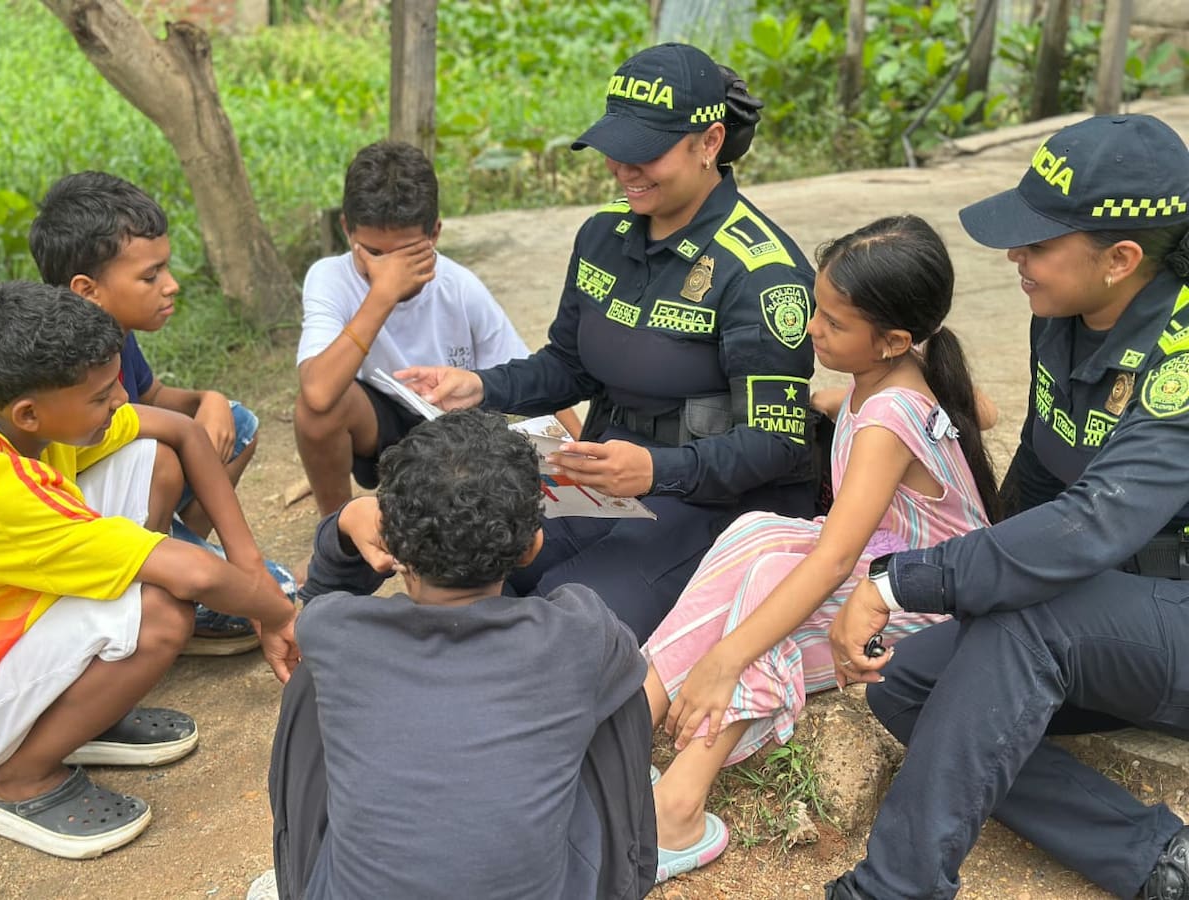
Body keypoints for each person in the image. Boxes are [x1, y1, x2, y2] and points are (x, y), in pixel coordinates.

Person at [827, 114, 1189, 900]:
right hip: (1105, 609)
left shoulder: (1181, 360)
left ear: (1122, 258)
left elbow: (1091, 522)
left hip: (1169, 620)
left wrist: (896, 582)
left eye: (1037, 244)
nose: (1013, 258)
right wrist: (981, 572)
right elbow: (1041, 472)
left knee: (1032, 618)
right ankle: (1157, 860)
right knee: (905, 683)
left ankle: (891, 889)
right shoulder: (1061, 316)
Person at [398, 43, 818, 643]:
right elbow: (570, 364)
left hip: (717, 501)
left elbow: (777, 442)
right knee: (475, 572)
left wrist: (658, 470)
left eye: (645, 153)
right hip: (604, 474)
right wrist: (484, 387)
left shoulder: (759, 272)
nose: (624, 169)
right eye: (615, 150)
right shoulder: (604, 233)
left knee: (563, 624)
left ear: (709, 142)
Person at [640, 215, 997, 881]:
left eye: (833, 324)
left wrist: (724, 660)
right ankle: (630, 731)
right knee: (754, 534)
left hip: (921, 600)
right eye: (817, 309)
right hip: (885, 564)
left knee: (774, 578)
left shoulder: (892, 417)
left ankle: (677, 805)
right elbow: (981, 410)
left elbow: (832, 561)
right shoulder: (901, 372)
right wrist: (837, 399)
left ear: (892, 340)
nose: (813, 330)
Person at [261, 408, 654, 900]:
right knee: (619, 684)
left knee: (307, 684)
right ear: (532, 545)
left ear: (393, 547)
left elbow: (316, 602)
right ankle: (622, 881)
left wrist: (342, 526)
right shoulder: (579, 632)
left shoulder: (336, 632)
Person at [0, 282, 298, 859]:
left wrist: (249, 565)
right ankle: (14, 780)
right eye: (102, 396)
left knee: (152, 457)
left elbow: (182, 431)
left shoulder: (23, 427)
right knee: (159, 611)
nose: (117, 403)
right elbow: (193, 577)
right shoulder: (5, 489)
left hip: (10, 611)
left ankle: (75, 715)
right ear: (29, 413)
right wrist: (276, 609)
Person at [28, 172, 294, 656]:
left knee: (235, 420)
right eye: (151, 276)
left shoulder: (115, 336)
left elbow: (158, 399)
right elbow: (159, 428)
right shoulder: (65, 372)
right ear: (87, 290)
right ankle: (154, 595)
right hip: (75, 525)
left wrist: (208, 399)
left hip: (122, 498)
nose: (170, 286)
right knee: (163, 460)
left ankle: (184, 559)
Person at [294, 140, 580, 517]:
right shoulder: (330, 277)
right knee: (317, 411)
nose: (388, 269)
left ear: (436, 235)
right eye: (375, 254)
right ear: (347, 230)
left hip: (455, 431)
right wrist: (383, 295)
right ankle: (337, 531)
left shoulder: (459, 287)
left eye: (407, 255)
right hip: (380, 419)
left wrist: (583, 449)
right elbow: (317, 393)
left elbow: (535, 379)